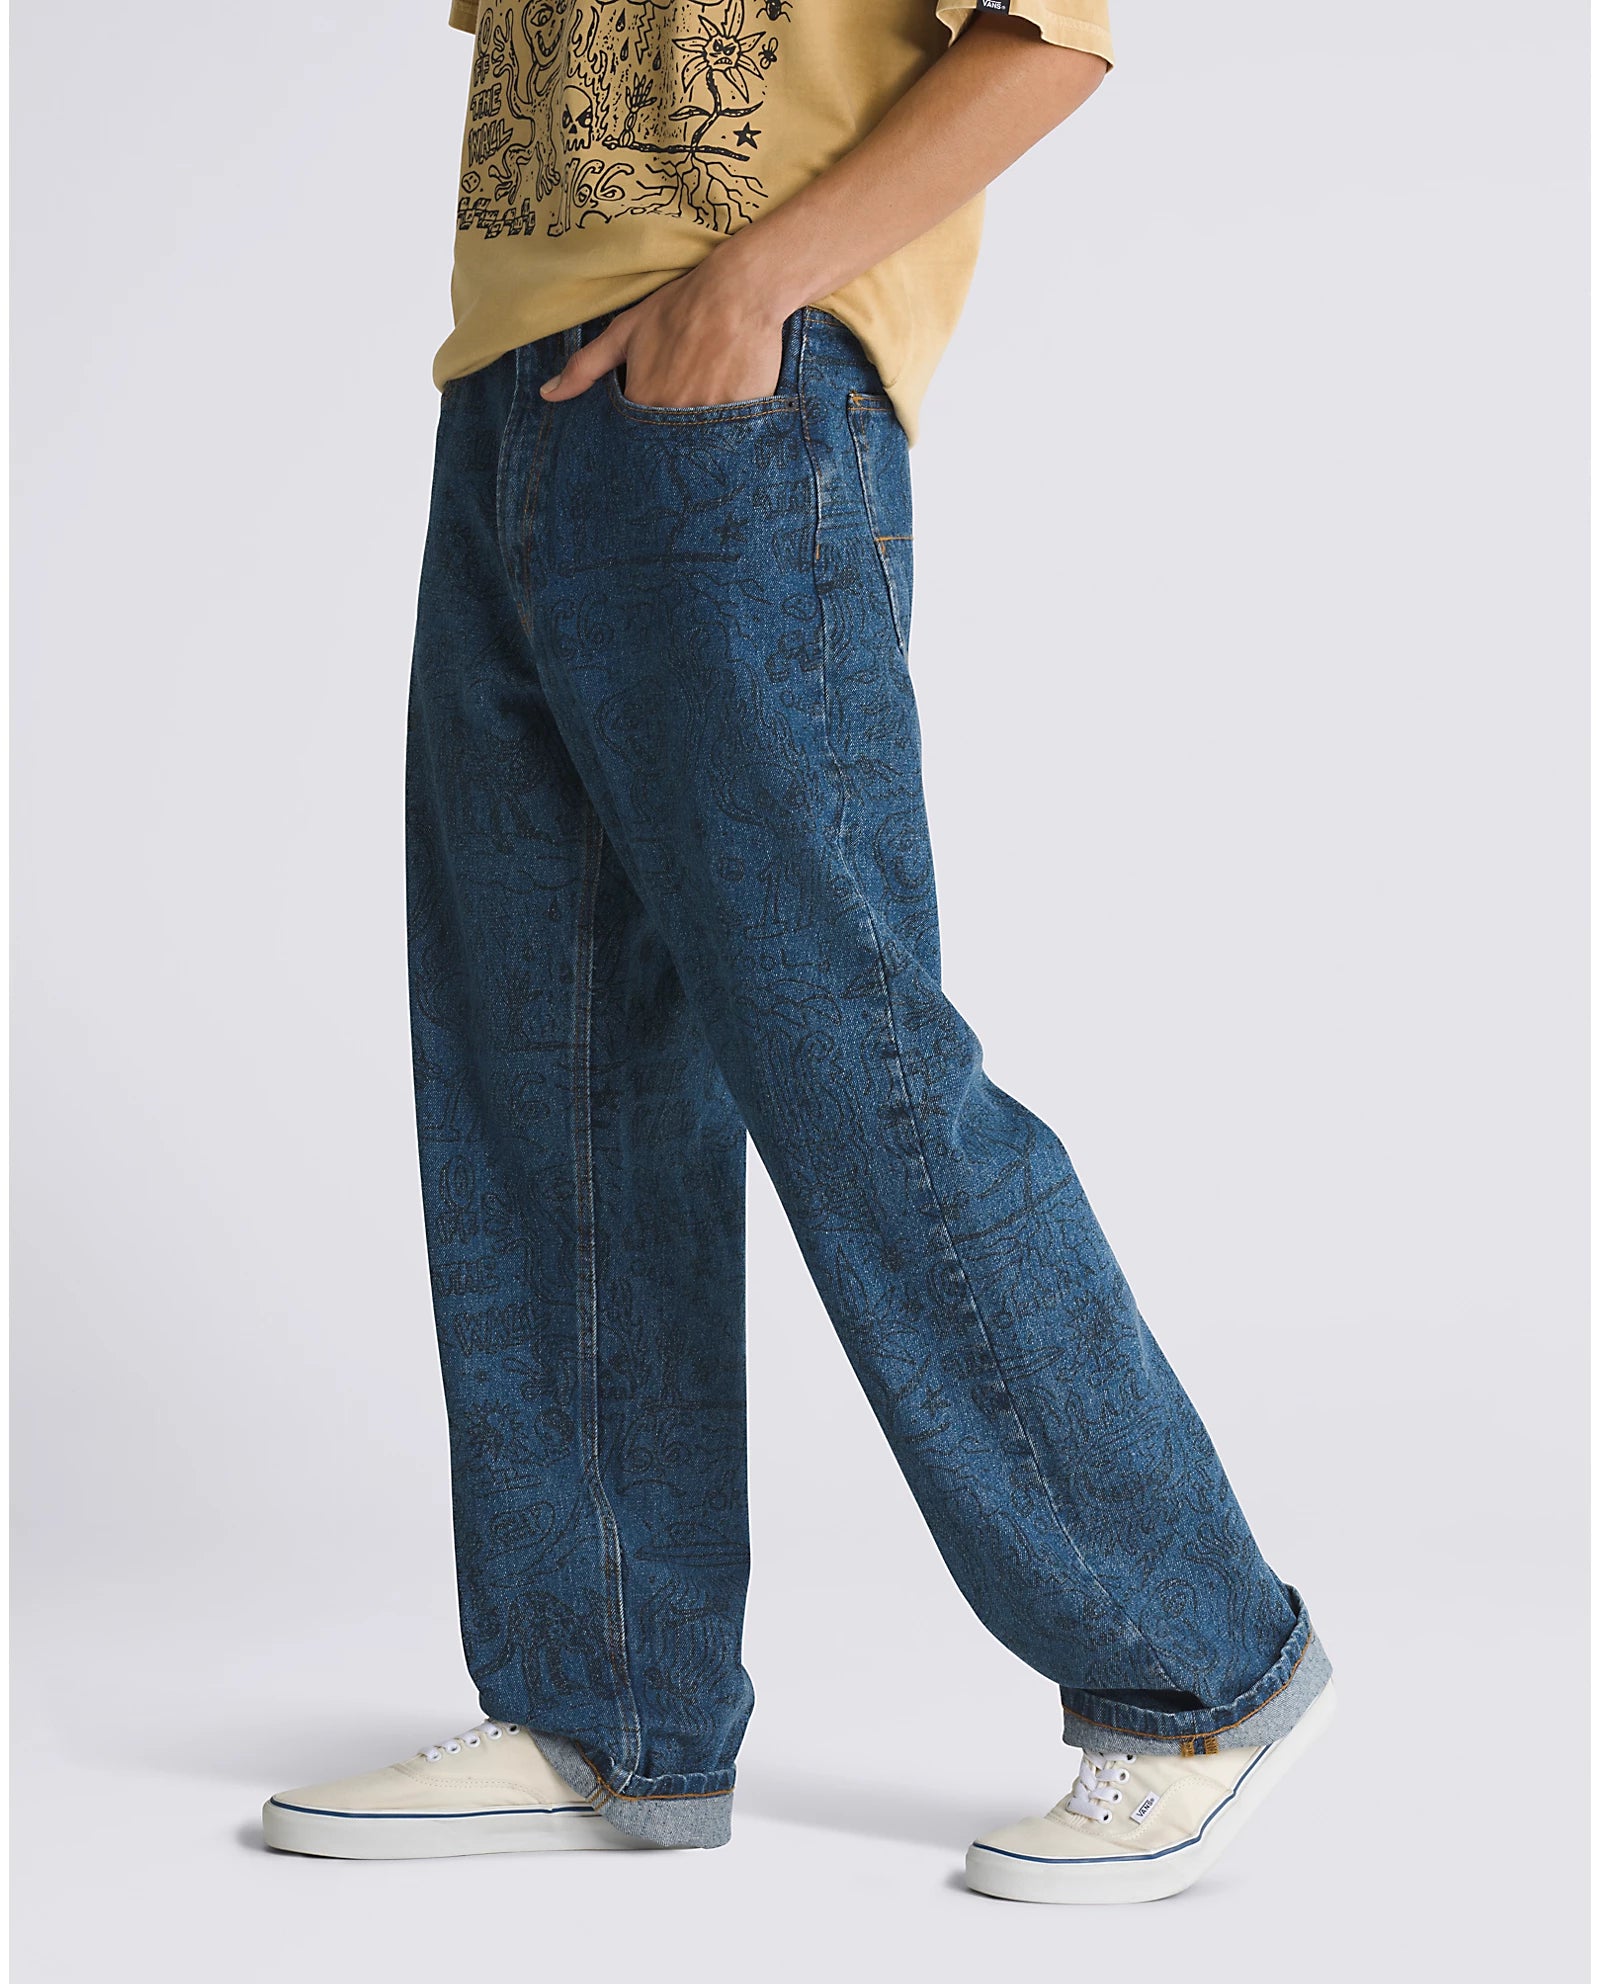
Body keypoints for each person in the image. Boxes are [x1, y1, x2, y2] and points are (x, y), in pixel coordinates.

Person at [262, 0, 1334, 1904]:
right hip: (509, 391)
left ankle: (1196, 1668)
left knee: (853, 1060)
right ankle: (606, 1703)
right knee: (542, 1065)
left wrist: (752, 285)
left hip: (740, 399)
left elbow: (1051, 33)